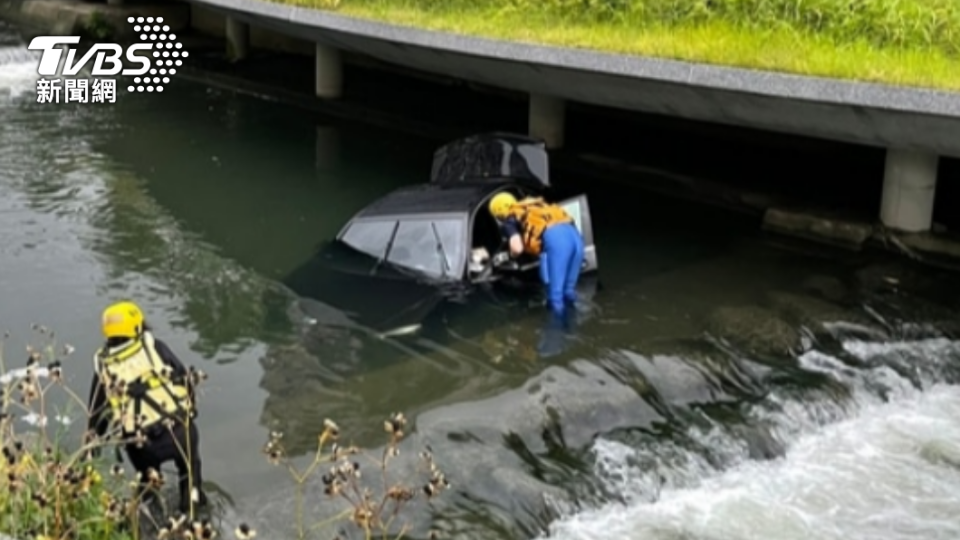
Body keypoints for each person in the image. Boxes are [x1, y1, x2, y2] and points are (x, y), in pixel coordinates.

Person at [85, 301, 208, 516]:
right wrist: (190, 410)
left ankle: (150, 517)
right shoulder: (155, 347)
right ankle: (192, 513)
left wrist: (90, 455)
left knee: (147, 481)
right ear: (137, 327)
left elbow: (97, 419)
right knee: (190, 472)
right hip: (179, 432)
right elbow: (183, 379)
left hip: (142, 444)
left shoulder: (105, 368)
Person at [488, 191, 585, 317]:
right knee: (568, 291)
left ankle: (557, 333)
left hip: (558, 241)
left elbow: (517, 248)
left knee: (555, 298)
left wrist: (509, 256)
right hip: (576, 237)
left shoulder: (510, 220)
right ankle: (575, 324)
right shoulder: (538, 207)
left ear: (499, 214)